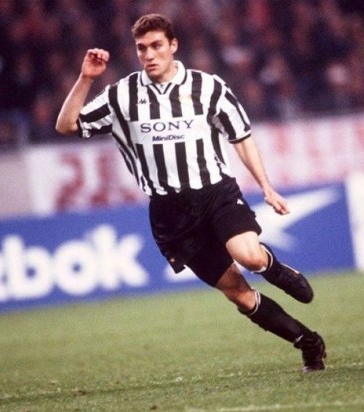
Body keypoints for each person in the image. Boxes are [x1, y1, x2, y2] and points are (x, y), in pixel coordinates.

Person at [56, 13, 326, 373]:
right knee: (238, 293)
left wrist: (266, 187)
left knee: (248, 256)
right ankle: (308, 341)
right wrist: (86, 79)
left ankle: (272, 267)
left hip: (215, 193)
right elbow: (67, 125)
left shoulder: (208, 87)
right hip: (170, 214)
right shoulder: (121, 95)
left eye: (156, 46)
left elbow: (241, 137)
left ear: (173, 45)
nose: (149, 54)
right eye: (141, 48)